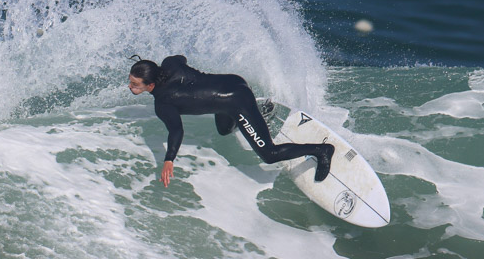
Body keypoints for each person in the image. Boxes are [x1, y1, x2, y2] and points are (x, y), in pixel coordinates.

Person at [128, 55, 334, 187]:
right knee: (225, 130)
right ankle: (257, 112)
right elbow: (180, 58)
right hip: (233, 81)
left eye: (135, 84)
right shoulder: (169, 64)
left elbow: (176, 131)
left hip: (236, 99)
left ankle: (321, 151)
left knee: (270, 154)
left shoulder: (164, 104)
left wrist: (168, 160)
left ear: (151, 83)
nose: (131, 87)